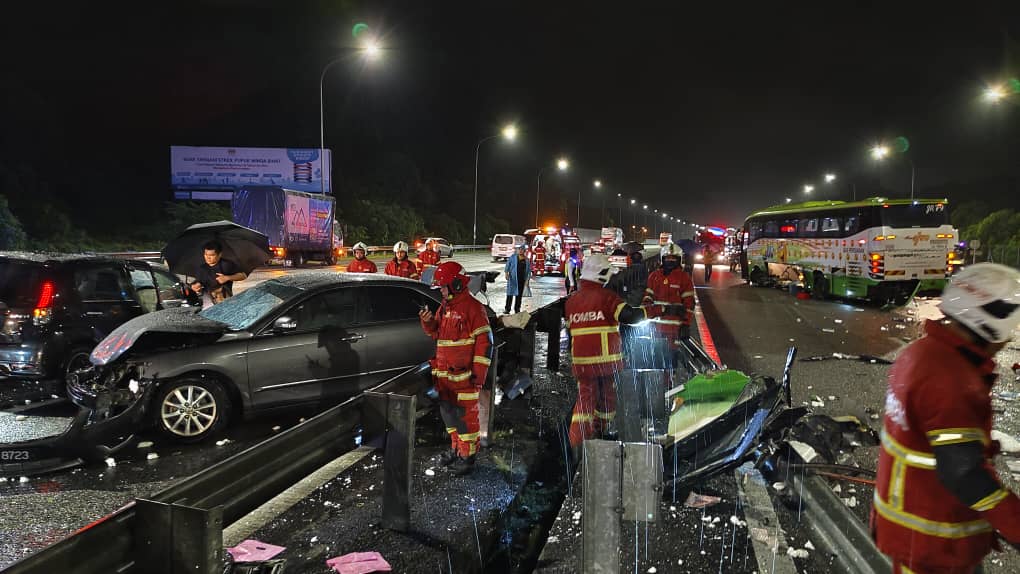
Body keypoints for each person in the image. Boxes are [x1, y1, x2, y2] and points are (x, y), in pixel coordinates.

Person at [872, 263, 1020, 574]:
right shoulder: (951, 378)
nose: (1008, 341)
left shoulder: (920, 353)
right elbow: (964, 474)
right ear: (988, 324)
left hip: (913, 529)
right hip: (933, 543)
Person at [565, 253, 662, 454]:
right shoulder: (607, 297)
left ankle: (577, 445)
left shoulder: (572, 301)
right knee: (607, 400)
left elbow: (570, 330)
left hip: (581, 363)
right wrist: (654, 310)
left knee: (585, 402)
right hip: (605, 362)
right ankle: (597, 435)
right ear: (602, 274)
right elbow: (630, 316)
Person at [419, 261, 492, 475]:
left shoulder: (473, 308)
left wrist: (478, 376)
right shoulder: (445, 307)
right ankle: (456, 449)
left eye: (443, 286)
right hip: (445, 379)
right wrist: (428, 322)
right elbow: (437, 333)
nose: (441, 290)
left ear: (457, 284)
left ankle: (467, 457)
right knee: (449, 417)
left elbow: (485, 343)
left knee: (465, 420)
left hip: (465, 379)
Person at [643, 247, 696, 393]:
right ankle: (656, 389)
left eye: (673, 259)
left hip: (674, 330)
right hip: (654, 328)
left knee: (671, 360)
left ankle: (669, 389)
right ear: (662, 259)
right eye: (667, 258)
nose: (670, 261)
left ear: (679, 260)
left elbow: (689, 304)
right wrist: (648, 310)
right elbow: (647, 299)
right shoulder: (654, 276)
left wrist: (686, 324)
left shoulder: (684, 278)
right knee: (655, 359)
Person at [190, 240, 247, 308]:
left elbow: (243, 276)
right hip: (208, 302)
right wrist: (196, 287)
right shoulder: (202, 268)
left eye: (212, 255)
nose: (208, 257)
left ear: (219, 255)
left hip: (225, 300)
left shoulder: (226, 264)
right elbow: (198, 283)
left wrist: (227, 277)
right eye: (206, 254)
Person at [504, 244, 531, 314]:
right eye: (519, 249)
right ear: (518, 250)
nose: (520, 251)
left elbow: (528, 271)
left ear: (524, 251)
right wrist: (506, 273)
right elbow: (507, 265)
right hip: (512, 279)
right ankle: (507, 309)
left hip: (521, 280)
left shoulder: (527, 260)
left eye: (522, 250)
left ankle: (517, 309)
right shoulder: (513, 257)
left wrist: (527, 280)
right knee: (509, 294)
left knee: (519, 296)